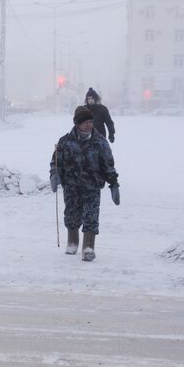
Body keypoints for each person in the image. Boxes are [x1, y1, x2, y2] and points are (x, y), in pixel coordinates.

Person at [50, 106, 120, 262]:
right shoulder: (65, 142)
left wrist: (114, 184)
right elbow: (56, 162)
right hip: (71, 186)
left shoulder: (100, 142)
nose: (89, 125)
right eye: (85, 122)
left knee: (91, 216)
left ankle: (88, 247)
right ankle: (72, 242)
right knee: (72, 214)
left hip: (92, 186)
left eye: (91, 121)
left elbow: (108, 164)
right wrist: (54, 175)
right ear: (77, 123)